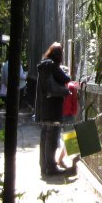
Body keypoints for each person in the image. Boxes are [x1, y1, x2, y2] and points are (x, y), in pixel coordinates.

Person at [35, 42, 70, 176]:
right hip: (53, 108)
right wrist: (65, 71)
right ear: (58, 54)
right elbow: (66, 78)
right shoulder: (52, 66)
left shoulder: (44, 65)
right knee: (52, 138)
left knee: (44, 137)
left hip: (44, 108)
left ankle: (44, 166)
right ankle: (51, 167)